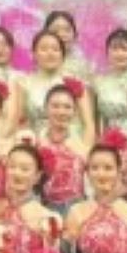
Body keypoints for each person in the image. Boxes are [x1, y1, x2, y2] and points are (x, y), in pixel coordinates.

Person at [35, 83, 90, 212]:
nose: (61, 112)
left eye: (67, 107)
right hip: (43, 209)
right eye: (55, 106)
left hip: (77, 209)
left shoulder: (82, 145)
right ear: (45, 108)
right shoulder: (35, 143)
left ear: (74, 111)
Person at [19, 32, 85, 140]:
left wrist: (84, 147)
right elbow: (19, 121)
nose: (50, 53)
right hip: (37, 142)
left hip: (70, 141)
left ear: (62, 54)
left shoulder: (74, 82)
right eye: (44, 49)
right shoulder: (24, 83)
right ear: (34, 53)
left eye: (55, 49)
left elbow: (89, 125)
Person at [89, 29, 127, 137]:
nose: (119, 54)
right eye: (115, 49)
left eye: (124, 49)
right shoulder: (98, 82)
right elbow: (94, 120)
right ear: (107, 52)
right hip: (109, 142)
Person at [42, 10, 90, 78]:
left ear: (75, 35)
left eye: (67, 30)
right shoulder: (39, 64)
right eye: (55, 31)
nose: (62, 34)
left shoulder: (84, 67)